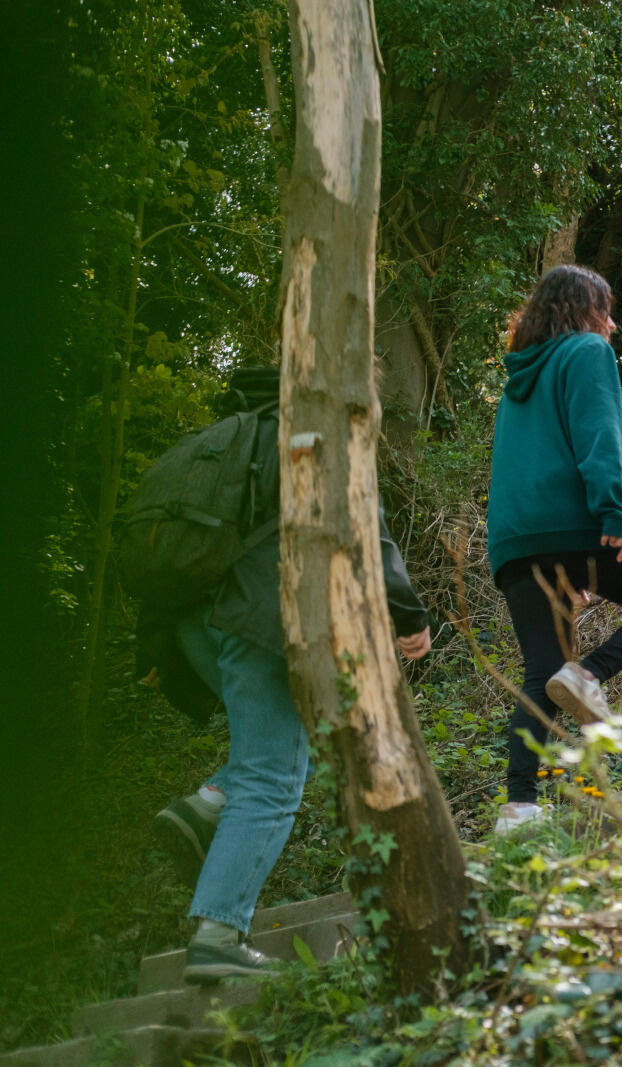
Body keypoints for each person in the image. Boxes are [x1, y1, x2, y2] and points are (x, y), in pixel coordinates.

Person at [147, 367, 432, 981]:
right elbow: (365, 525)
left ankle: (210, 801)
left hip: (196, 623)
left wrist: (153, 646)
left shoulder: (242, 432)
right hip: (255, 620)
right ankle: (218, 935)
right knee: (272, 779)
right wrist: (408, 614)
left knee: (277, 753)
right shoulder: (321, 426)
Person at [486, 265, 622, 833]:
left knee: (541, 672)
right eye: (605, 310)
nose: (612, 324)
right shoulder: (587, 351)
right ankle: (590, 674)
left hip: (515, 542)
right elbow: (598, 436)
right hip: (576, 525)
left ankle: (518, 809)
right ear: (583, 312)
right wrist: (615, 513)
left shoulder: (517, 381)